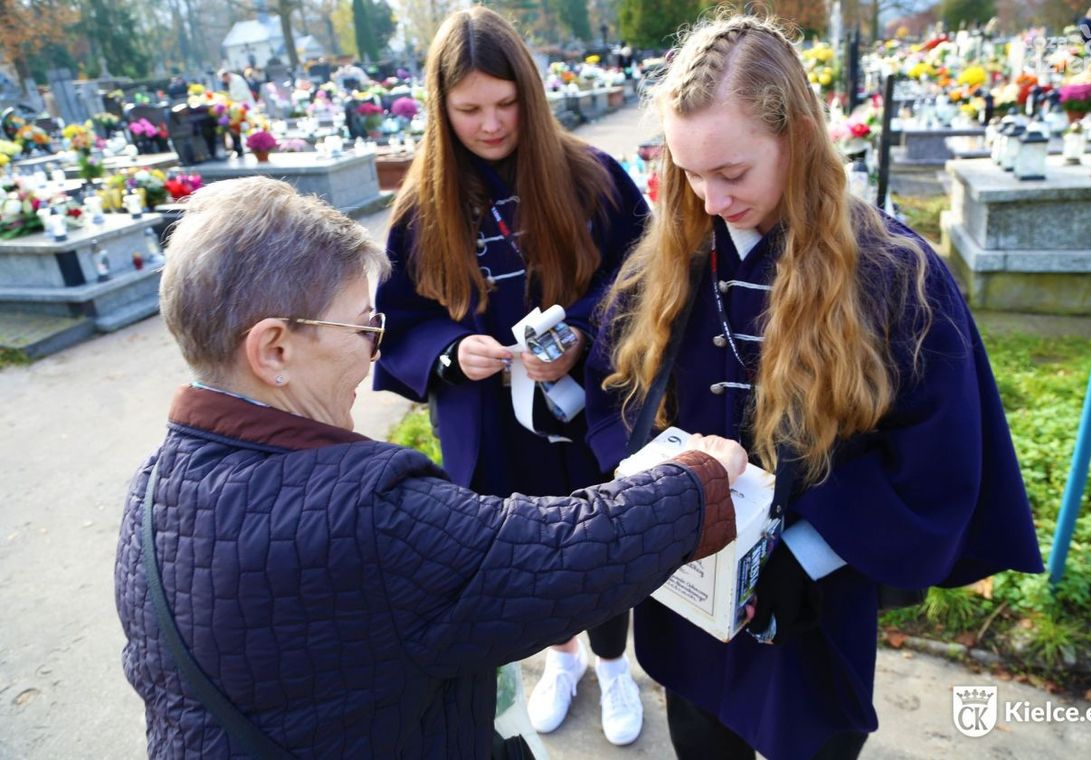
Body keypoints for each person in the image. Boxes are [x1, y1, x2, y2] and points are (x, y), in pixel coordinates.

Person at [113, 176, 749, 758]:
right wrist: (695, 485)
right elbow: (555, 557)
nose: (372, 352)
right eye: (363, 328)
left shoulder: (147, 497)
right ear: (273, 348)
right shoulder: (364, 510)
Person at [586, 14, 1044, 760]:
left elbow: (936, 458)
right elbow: (613, 393)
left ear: (797, 138)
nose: (708, 200)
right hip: (687, 591)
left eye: (731, 173)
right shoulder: (664, 264)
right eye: (688, 172)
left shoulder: (893, 276)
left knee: (813, 738)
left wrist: (810, 551)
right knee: (701, 733)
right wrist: (649, 490)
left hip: (812, 603)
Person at [373, 6, 652, 747]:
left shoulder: (593, 177)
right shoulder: (421, 210)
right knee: (527, 553)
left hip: (588, 403)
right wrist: (450, 352)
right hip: (491, 420)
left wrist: (586, 333)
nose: (491, 125)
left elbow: (645, 273)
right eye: (469, 110)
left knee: (606, 537)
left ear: (530, 94)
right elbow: (399, 320)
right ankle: (560, 659)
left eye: (505, 104)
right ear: (442, 107)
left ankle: (616, 662)